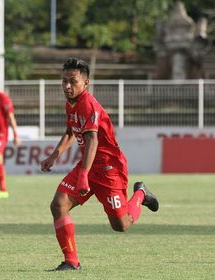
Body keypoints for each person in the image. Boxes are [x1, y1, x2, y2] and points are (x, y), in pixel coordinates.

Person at [41, 57, 159, 271]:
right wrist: (54, 156)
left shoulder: (88, 105)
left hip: (108, 169)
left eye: (73, 81)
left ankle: (140, 193)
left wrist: (84, 175)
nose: (67, 86)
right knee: (58, 205)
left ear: (85, 83)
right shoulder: (72, 103)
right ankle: (71, 261)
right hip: (88, 165)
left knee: (121, 225)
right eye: (64, 81)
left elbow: (92, 139)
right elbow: (71, 131)